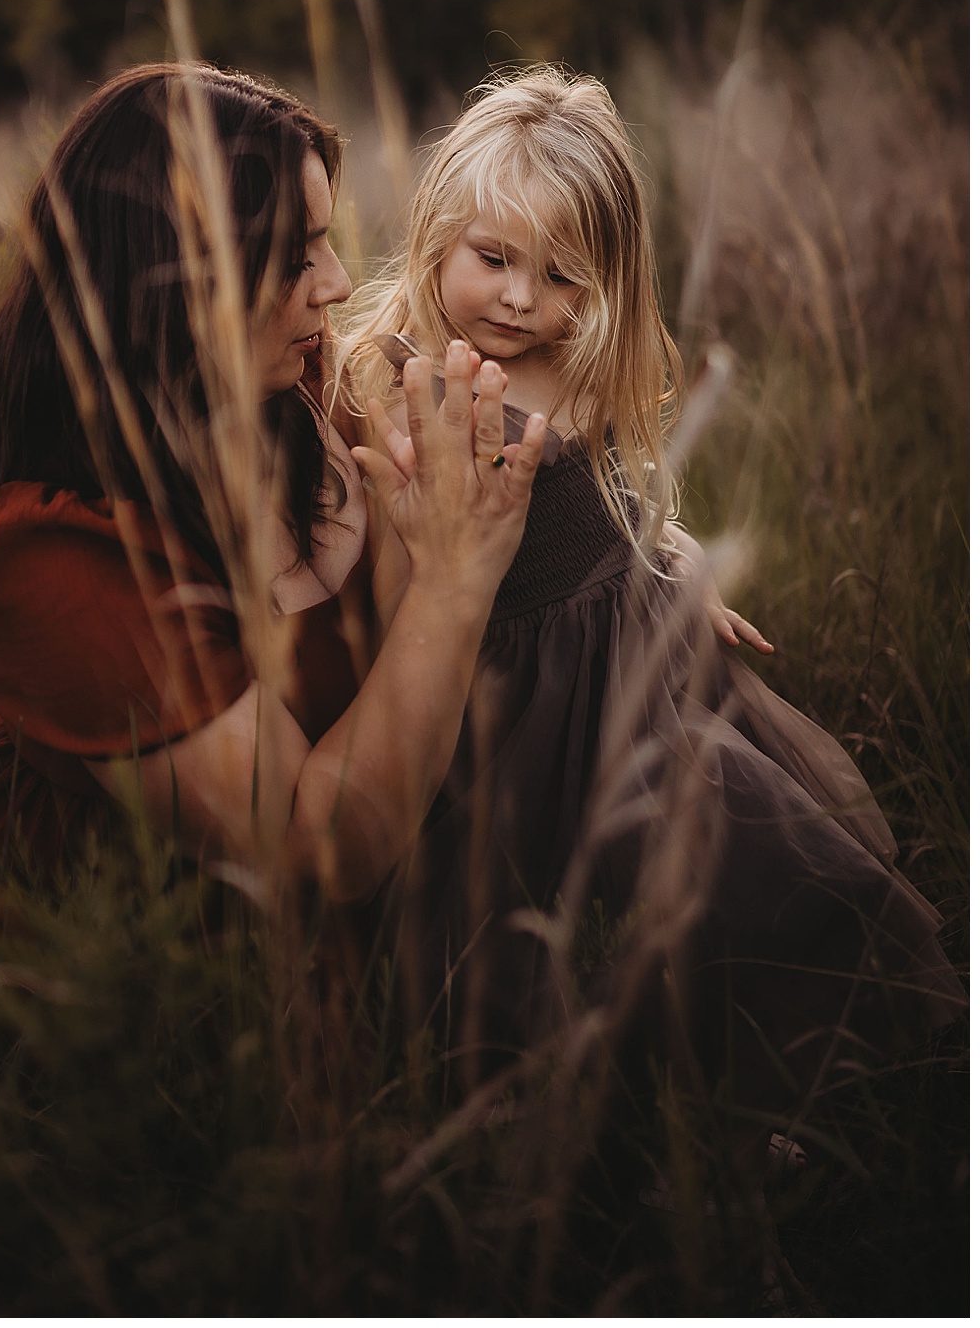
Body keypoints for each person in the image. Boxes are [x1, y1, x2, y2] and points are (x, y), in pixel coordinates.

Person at [336, 65, 964, 1126]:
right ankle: (702, 1110)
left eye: (563, 277)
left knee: (768, 871)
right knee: (600, 922)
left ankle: (869, 1083)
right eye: (494, 259)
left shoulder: (576, 366)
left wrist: (667, 568)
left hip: (648, 672)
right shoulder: (411, 391)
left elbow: (616, 502)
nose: (523, 298)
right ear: (440, 228)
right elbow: (406, 593)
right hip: (531, 716)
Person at [0, 61, 547, 913]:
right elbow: (309, 856)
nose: (336, 283)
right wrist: (455, 580)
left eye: (326, 243)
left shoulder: (296, 389)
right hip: (150, 995)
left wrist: (647, 560)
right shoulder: (56, 561)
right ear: (174, 283)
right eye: (293, 257)